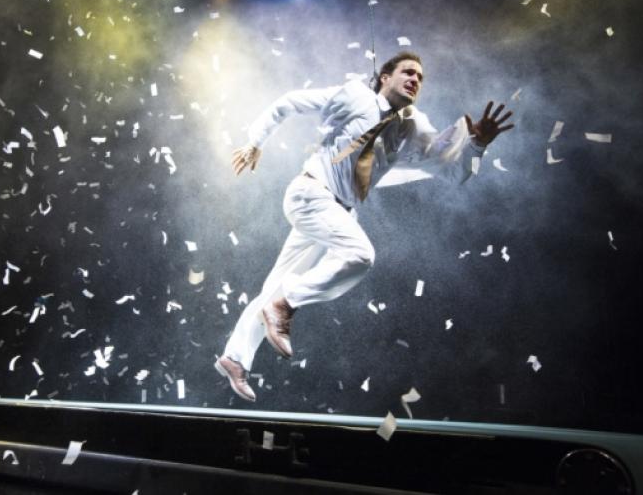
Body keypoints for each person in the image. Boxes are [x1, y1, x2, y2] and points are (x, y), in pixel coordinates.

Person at [214, 52, 514, 402]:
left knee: (276, 284)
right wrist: (255, 142)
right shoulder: (355, 96)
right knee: (360, 254)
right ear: (385, 76)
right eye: (408, 72)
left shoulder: (412, 126)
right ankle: (286, 304)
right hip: (311, 193)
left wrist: (476, 144)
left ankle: (235, 358)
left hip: (336, 211)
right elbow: (289, 103)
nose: (416, 79)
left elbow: (447, 165)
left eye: (420, 76)